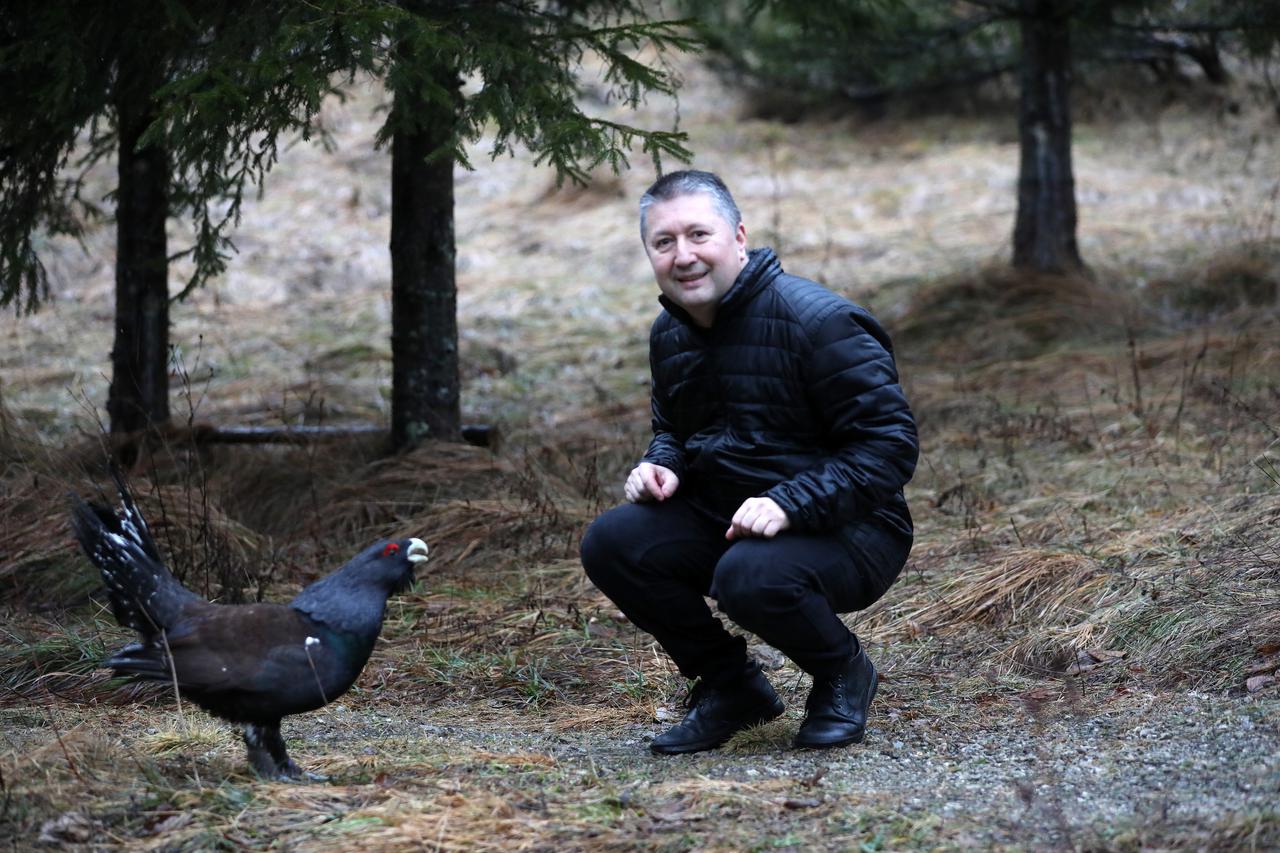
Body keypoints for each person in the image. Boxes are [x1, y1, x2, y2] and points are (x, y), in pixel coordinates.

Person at [580, 169, 918, 755]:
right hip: (732, 517)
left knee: (750, 575)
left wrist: (789, 502)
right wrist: (662, 464)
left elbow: (888, 446)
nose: (683, 256)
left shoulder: (822, 322)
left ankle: (843, 673)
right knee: (613, 541)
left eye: (698, 235)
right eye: (664, 243)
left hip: (854, 529)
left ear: (739, 237)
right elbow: (675, 430)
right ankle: (731, 687)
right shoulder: (671, 334)